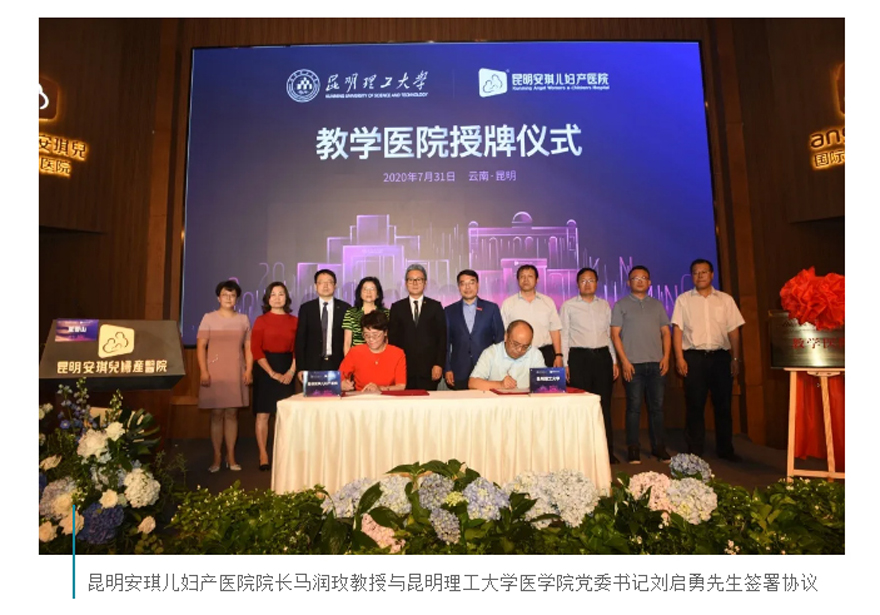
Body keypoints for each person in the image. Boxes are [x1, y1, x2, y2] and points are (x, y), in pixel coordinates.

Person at [672, 259, 745, 462]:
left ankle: (725, 449)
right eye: (696, 272)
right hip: (694, 358)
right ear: (692, 276)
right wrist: (679, 357)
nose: (700, 276)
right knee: (695, 404)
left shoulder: (725, 300)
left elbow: (734, 331)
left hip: (721, 358)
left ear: (712, 275)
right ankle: (695, 450)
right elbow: (677, 330)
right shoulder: (683, 300)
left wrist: (735, 358)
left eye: (704, 272)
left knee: (723, 405)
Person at [610, 265, 672, 464]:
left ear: (649, 282)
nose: (639, 281)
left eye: (643, 278)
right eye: (635, 278)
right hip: (633, 365)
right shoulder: (620, 305)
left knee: (657, 408)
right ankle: (633, 448)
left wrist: (666, 357)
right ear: (628, 282)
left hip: (657, 364)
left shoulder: (657, 305)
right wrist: (624, 361)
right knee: (633, 408)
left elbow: (666, 333)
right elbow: (615, 335)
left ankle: (659, 447)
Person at [560, 267, 621, 464]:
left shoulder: (604, 305)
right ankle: (581, 454)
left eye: (591, 280)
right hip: (579, 359)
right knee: (580, 407)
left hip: (602, 357)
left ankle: (607, 452)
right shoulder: (568, 306)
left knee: (604, 406)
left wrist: (614, 360)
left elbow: (609, 336)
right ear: (577, 284)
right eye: (583, 281)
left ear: (597, 283)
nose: (587, 284)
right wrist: (565, 364)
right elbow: (564, 336)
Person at [196, 280, 253, 473]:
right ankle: (216, 456)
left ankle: (231, 456)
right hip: (214, 371)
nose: (229, 298)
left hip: (236, 370)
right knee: (216, 413)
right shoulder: (208, 318)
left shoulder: (243, 319)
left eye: (232, 295)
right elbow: (201, 346)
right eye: (225, 295)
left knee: (232, 413)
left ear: (237, 298)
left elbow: (248, 347)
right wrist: (203, 371)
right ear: (218, 298)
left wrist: (248, 370)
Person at [251, 281, 298, 471]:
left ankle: (282, 453)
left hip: (287, 368)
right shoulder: (261, 321)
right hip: (265, 369)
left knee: (283, 414)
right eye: (273, 294)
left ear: (286, 297)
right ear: (267, 298)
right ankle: (263, 454)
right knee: (262, 413)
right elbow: (256, 349)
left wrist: (291, 372)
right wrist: (272, 373)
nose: (277, 298)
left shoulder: (294, 321)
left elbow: (298, 350)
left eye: (281, 294)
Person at [388, 264, 447, 390]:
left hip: (429, 370)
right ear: (406, 283)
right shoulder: (397, 308)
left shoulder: (435, 307)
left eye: (419, 279)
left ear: (425, 283)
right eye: (411, 280)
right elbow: (393, 340)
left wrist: (439, 364)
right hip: (404, 369)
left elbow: (442, 338)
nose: (415, 283)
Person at [444, 269, 505, 390]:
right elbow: (445, 343)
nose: (467, 287)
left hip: (486, 369)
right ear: (459, 287)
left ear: (478, 285)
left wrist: (499, 367)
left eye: (471, 283)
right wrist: (447, 368)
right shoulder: (449, 311)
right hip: (459, 370)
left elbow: (500, 340)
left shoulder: (491, 309)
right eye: (463, 283)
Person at [500, 264, 563, 368]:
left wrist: (558, 355)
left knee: (545, 380)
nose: (526, 280)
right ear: (517, 280)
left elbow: (554, 330)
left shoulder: (548, 302)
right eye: (522, 277)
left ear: (537, 280)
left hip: (545, 353)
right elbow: (504, 333)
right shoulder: (508, 303)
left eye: (530, 276)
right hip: (517, 355)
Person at [295, 269, 351, 379]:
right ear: (315, 286)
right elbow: (301, 340)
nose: (325, 286)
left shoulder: (345, 308)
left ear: (335, 285)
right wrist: (301, 367)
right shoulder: (306, 308)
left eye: (329, 282)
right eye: (321, 282)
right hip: (312, 364)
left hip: (338, 363)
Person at [468, 320, 547, 390]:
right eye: (516, 344)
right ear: (506, 336)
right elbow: (473, 383)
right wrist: (500, 384)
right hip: (498, 401)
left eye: (525, 346)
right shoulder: (491, 353)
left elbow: (545, 384)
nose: (519, 350)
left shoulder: (535, 355)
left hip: (525, 401)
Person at [338, 310, 407, 392]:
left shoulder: (397, 354)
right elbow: (339, 376)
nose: (371, 339)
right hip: (361, 396)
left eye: (375, 335)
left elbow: (401, 386)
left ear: (385, 332)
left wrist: (380, 389)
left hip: (388, 397)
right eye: (366, 335)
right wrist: (342, 384)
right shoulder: (355, 352)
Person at [342, 276, 390, 354]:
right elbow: (347, 342)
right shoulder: (351, 312)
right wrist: (348, 360)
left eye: (372, 289)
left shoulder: (386, 313)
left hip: (380, 356)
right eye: (365, 289)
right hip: (357, 356)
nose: (368, 292)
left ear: (378, 294)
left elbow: (387, 339)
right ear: (359, 293)